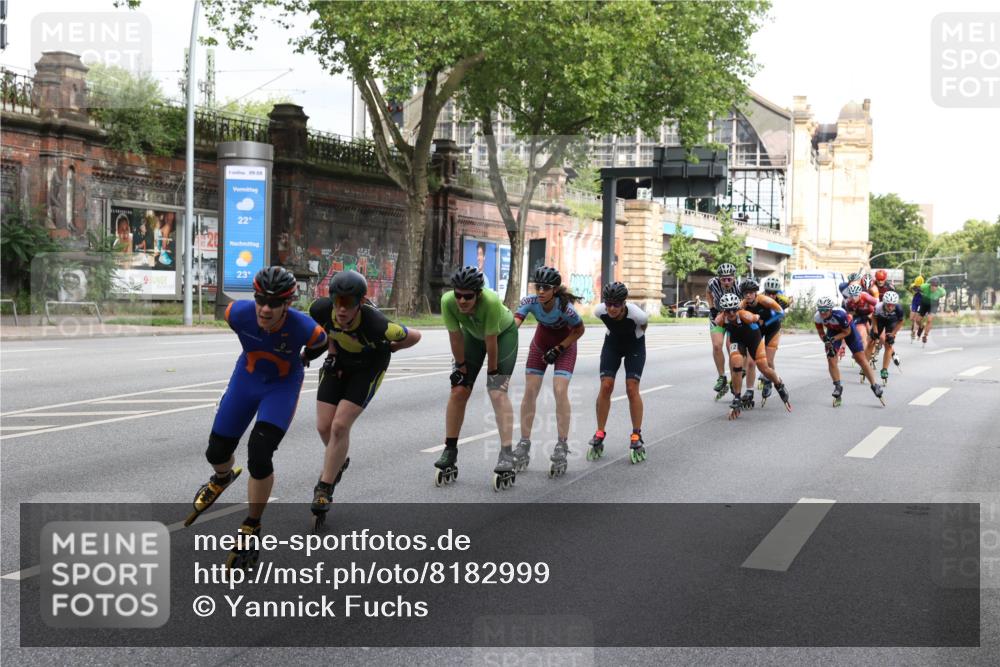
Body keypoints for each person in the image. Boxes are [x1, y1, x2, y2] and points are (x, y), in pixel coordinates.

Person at [184, 266, 329, 569]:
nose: (265, 308)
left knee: (260, 453)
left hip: (282, 386)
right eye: (261, 300)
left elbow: (320, 344)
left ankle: (252, 525)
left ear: (287, 305)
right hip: (247, 378)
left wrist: (303, 359)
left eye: (274, 303)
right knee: (216, 450)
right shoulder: (237, 314)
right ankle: (222, 477)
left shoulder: (306, 328)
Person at [307, 270, 421, 528]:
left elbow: (415, 336)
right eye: (337, 301)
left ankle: (324, 488)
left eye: (348, 303)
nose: (341, 309)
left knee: (339, 426)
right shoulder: (320, 310)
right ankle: (339, 460)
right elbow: (328, 332)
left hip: (369, 367)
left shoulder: (377, 324)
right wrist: (330, 351)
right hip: (340, 362)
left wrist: (393, 347)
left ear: (360, 303)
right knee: (324, 426)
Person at [437, 266, 518, 491]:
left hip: (503, 336)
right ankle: (450, 450)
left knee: (497, 392)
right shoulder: (447, 302)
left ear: (478, 294)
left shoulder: (490, 302)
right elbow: (455, 337)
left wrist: (493, 373)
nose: (462, 300)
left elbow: (491, 342)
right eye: (458, 294)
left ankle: (506, 454)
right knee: (458, 390)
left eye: (468, 296)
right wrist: (461, 368)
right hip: (472, 338)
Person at [512, 266, 585, 477]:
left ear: (555, 290)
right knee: (530, 391)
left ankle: (562, 444)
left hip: (565, 346)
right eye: (538, 286)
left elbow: (579, 330)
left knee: (559, 390)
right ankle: (524, 443)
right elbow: (514, 325)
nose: (541, 291)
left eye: (546, 287)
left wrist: (560, 348)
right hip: (540, 344)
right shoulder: (530, 302)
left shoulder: (566, 308)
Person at [589, 282, 649, 463]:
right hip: (612, 345)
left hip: (634, 346)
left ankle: (636, 434)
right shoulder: (599, 311)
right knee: (606, 386)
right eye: (608, 304)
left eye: (616, 304)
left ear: (624, 303)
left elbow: (643, 328)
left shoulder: (638, 315)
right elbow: (608, 321)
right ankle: (599, 432)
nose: (612, 308)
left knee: (632, 388)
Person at [714, 293, 790, 419]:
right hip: (738, 341)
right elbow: (720, 333)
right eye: (728, 311)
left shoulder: (746, 315)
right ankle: (737, 397)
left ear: (737, 309)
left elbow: (760, 317)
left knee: (763, 368)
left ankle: (779, 383)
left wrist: (768, 312)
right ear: (723, 311)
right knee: (736, 365)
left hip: (754, 339)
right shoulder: (720, 320)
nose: (731, 313)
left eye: (734, 309)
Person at [814, 296, 884, 407]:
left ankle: (874, 385)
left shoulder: (840, 314)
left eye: (825, 310)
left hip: (849, 331)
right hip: (832, 331)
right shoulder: (817, 317)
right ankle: (838, 386)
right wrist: (826, 341)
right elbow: (821, 332)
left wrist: (833, 339)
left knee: (860, 359)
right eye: (820, 310)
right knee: (831, 359)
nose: (822, 313)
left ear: (831, 309)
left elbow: (846, 332)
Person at [738, 278, 785, 407]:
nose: (748, 295)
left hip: (772, 328)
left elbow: (781, 313)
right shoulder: (743, 304)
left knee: (768, 362)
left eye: (751, 292)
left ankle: (770, 381)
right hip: (757, 330)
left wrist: (766, 322)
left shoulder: (765, 300)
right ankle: (749, 391)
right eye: (745, 293)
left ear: (756, 293)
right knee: (751, 362)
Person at [705, 262, 741, 397]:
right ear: (718, 278)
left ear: (734, 278)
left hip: (732, 317)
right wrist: (711, 307)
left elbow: (744, 302)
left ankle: (733, 378)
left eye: (729, 279)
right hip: (718, 315)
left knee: (730, 348)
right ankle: (722, 377)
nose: (726, 282)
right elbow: (708, 293)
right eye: (723, 279)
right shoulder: (712, 283)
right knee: (716, 346)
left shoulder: (739, 287)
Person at [867, 290, 905, 384]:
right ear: (884, 303)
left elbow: (900, 322)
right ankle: (865, 365)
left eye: (893, 305)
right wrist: (875, 330)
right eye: (888, 305)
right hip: (879, 321)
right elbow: (874, 318)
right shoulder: (878, 307)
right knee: (871, 341)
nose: (891, 307)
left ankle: (884, 370)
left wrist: (893, 334)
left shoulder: (899, 309)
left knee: (889, 345)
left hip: (892, 322)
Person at [916, 277, 946, 345]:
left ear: (937, 286)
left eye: (935, 286)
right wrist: (917, 289)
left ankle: (925, 336)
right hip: (924, 304)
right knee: (917, 320)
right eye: (932, 286)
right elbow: (917, 288)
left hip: (933, 305)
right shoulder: (924, 286)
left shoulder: (941, 292)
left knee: (929, 320)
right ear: (930, 285)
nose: (933, 288)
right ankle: (921, 327)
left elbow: (943, 295)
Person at [909, 275, 925, 341]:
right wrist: (914, 289)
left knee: (916, 318)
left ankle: (914, 332)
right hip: (915, 301)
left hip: (921, 302)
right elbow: (910, 289)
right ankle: (920, 327)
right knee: (911, 318)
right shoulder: (914, 285)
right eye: (917, 285)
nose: (918, 286)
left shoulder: (925, 287)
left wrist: (921, 292)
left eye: (919, 286)